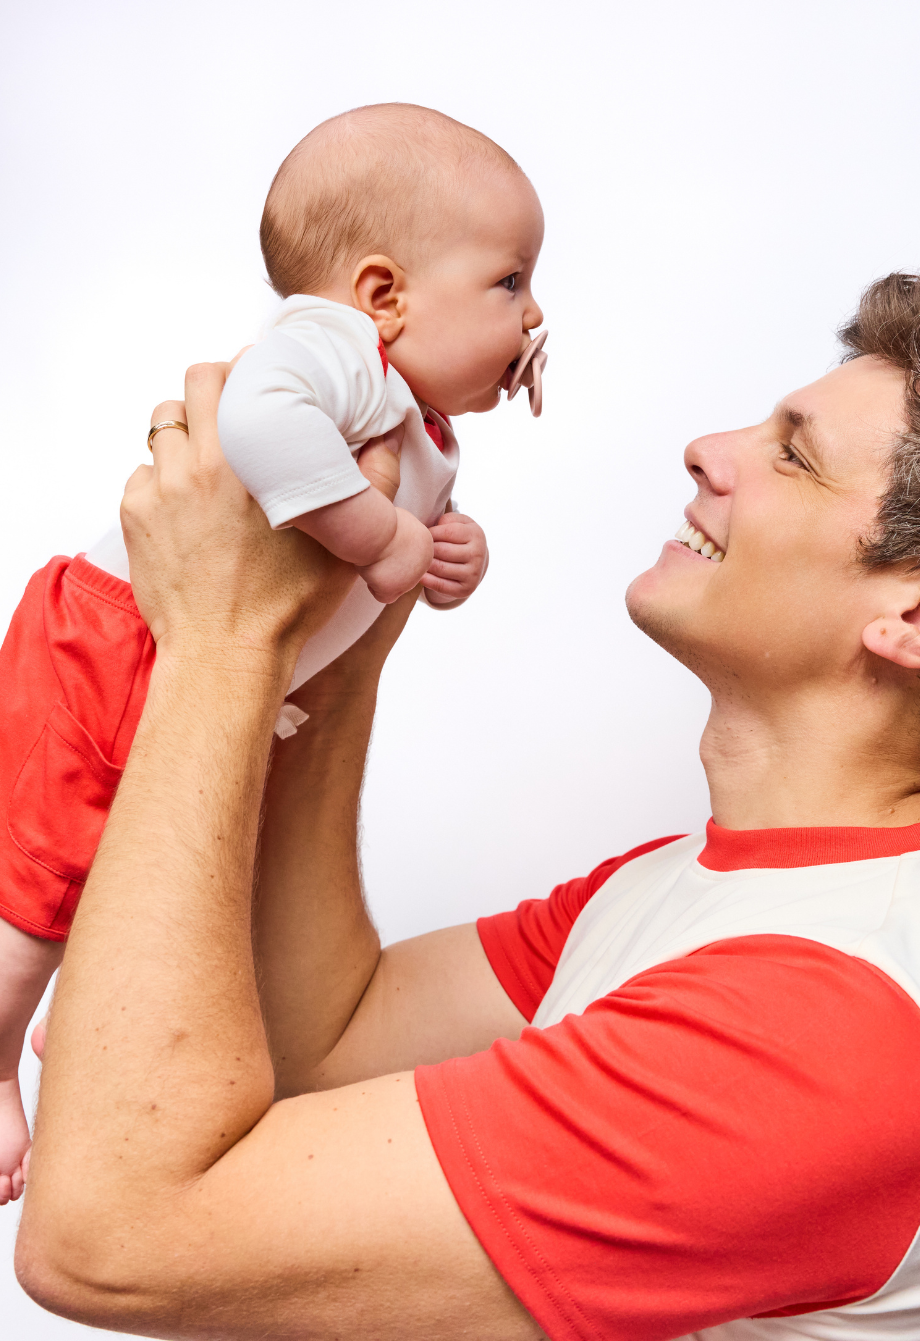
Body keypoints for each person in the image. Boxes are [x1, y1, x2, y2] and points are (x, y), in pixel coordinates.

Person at [15, 269, 920, 1340]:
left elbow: (109, 1242)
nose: (709, 448)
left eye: (793, 453)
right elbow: (327, 1042)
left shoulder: (830, 1026)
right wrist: (341, 630)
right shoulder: (696, 890)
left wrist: (221, 640)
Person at [0, 102, 546, 1203]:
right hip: (114, 638)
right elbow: (254, 419)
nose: (535, 314)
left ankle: (90, 1015)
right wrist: (380, 533)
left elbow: (397, 558)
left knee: (175, 867)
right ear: (384, 295)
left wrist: (447, 553)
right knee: (40, 875)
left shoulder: (424, 421)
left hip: (219, 670)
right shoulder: (332, 350)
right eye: (510, 282)